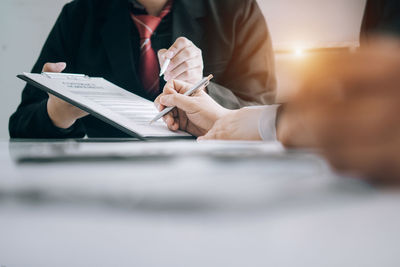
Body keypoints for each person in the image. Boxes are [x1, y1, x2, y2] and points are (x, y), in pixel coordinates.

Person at [9, 0, 276, 138]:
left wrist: (201, 91)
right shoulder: (80, 14)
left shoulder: (237, 9)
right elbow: (21, 124)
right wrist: (56, 114)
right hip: (99, 177)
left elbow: (264, 112)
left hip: (209, 173)